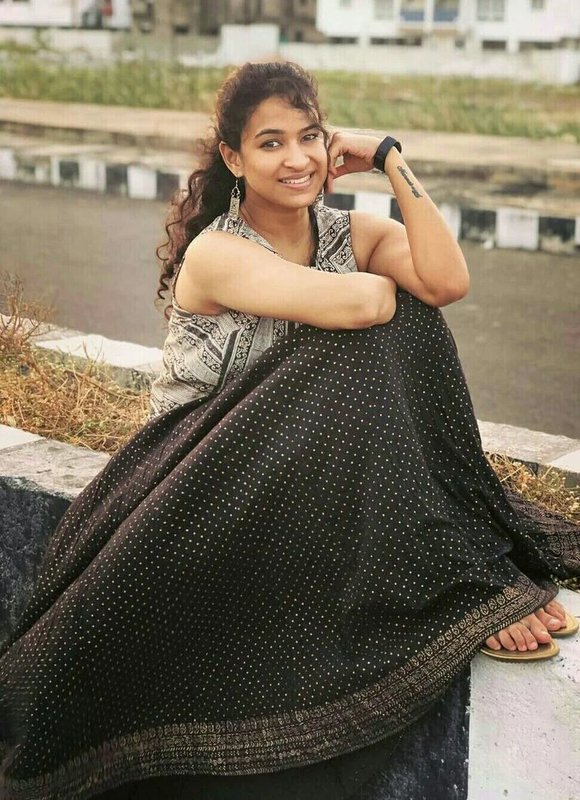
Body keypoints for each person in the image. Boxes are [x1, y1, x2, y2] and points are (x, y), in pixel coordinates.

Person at [0, 61, 578, 800]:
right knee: (373, 335)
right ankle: (458, 573)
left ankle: (450, 557)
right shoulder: (219, 251)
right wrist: (381, 275)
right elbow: (368, 306)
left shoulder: (348, 230)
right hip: (187, 479)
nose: (298, 158)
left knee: (414, 317)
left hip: (286, 471)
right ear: (234, 159)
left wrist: (391, 159)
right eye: (270, 143)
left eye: (310, 136)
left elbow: (446, 282)